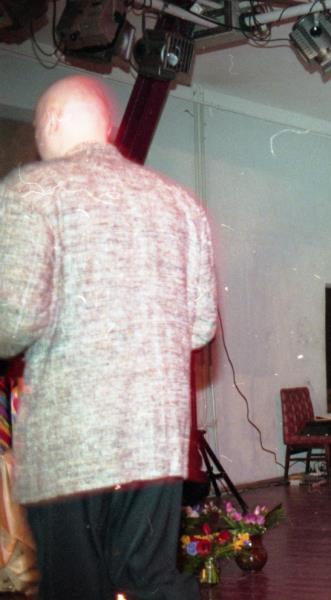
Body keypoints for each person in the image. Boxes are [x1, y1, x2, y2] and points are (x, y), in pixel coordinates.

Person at [0, 75, 217, 599]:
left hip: (72, 443)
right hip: (153, 440)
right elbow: (200, 327)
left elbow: (14, 320)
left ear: (53, 122)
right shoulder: (180, 203)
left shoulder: (31, 191)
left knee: (76, 586)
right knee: (151, 581)